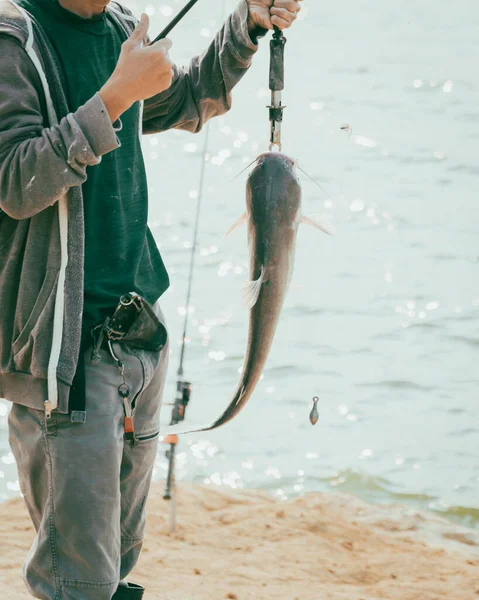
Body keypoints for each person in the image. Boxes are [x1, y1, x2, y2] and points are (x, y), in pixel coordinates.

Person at [0, 0, 302, 597]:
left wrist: (247, 25)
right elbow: (13, 181)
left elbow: (187, 99)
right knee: (77, 579)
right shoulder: (14, 42)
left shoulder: (117, 26)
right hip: (67, 351)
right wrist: (112, 98)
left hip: (140, 333)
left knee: (118, 557)